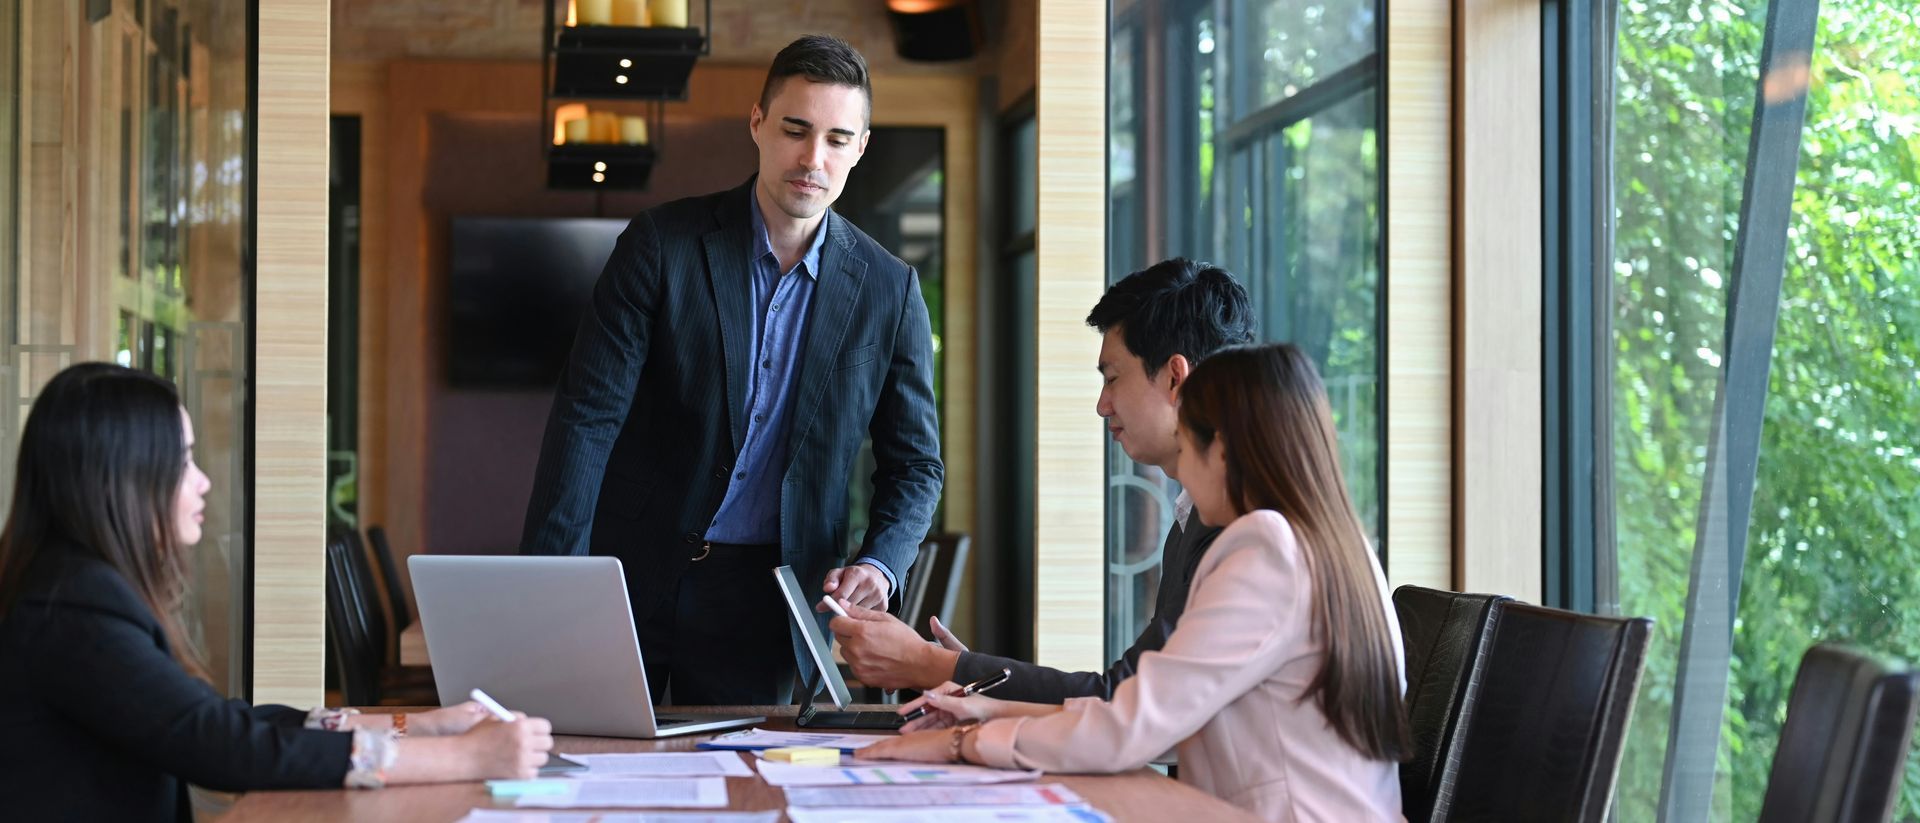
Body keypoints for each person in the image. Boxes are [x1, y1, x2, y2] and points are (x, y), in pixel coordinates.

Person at [519, 34, 942, 705]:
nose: (812, 158)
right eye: (795, 129)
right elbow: (587, 417)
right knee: (593, 774)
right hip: (627, 572)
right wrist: (553, 582)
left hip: (767, 599)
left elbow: (916, 464)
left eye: (837, 139)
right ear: (757, 123)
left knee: (741, 793)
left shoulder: (890, 290)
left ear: (860, 147)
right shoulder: (662, 245)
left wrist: (881, 559)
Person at [861, 344, 1411, 822]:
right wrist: (993, 710)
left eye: (1188, 447)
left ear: (1219, 449)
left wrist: (964, 743)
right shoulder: (1336, 543)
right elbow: (1174, 720)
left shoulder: (1266, 547)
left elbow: (1136, 724)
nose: (1183, 477)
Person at [0, 364, 554, 822]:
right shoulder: (73, 608)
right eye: (184, 459)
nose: (202, 481)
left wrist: (418, 725)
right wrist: (463, 755)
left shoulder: (71, 587)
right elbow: (223, 747)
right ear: (121, 477)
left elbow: (221, 720)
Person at [828, 258, 1254, 701]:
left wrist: (932, 665)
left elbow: (1129, 700)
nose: (1102, 405)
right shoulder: (1198, 513)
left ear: (1174, 377)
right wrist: (965, 678)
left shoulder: (1236, 524)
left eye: (1112, 378)